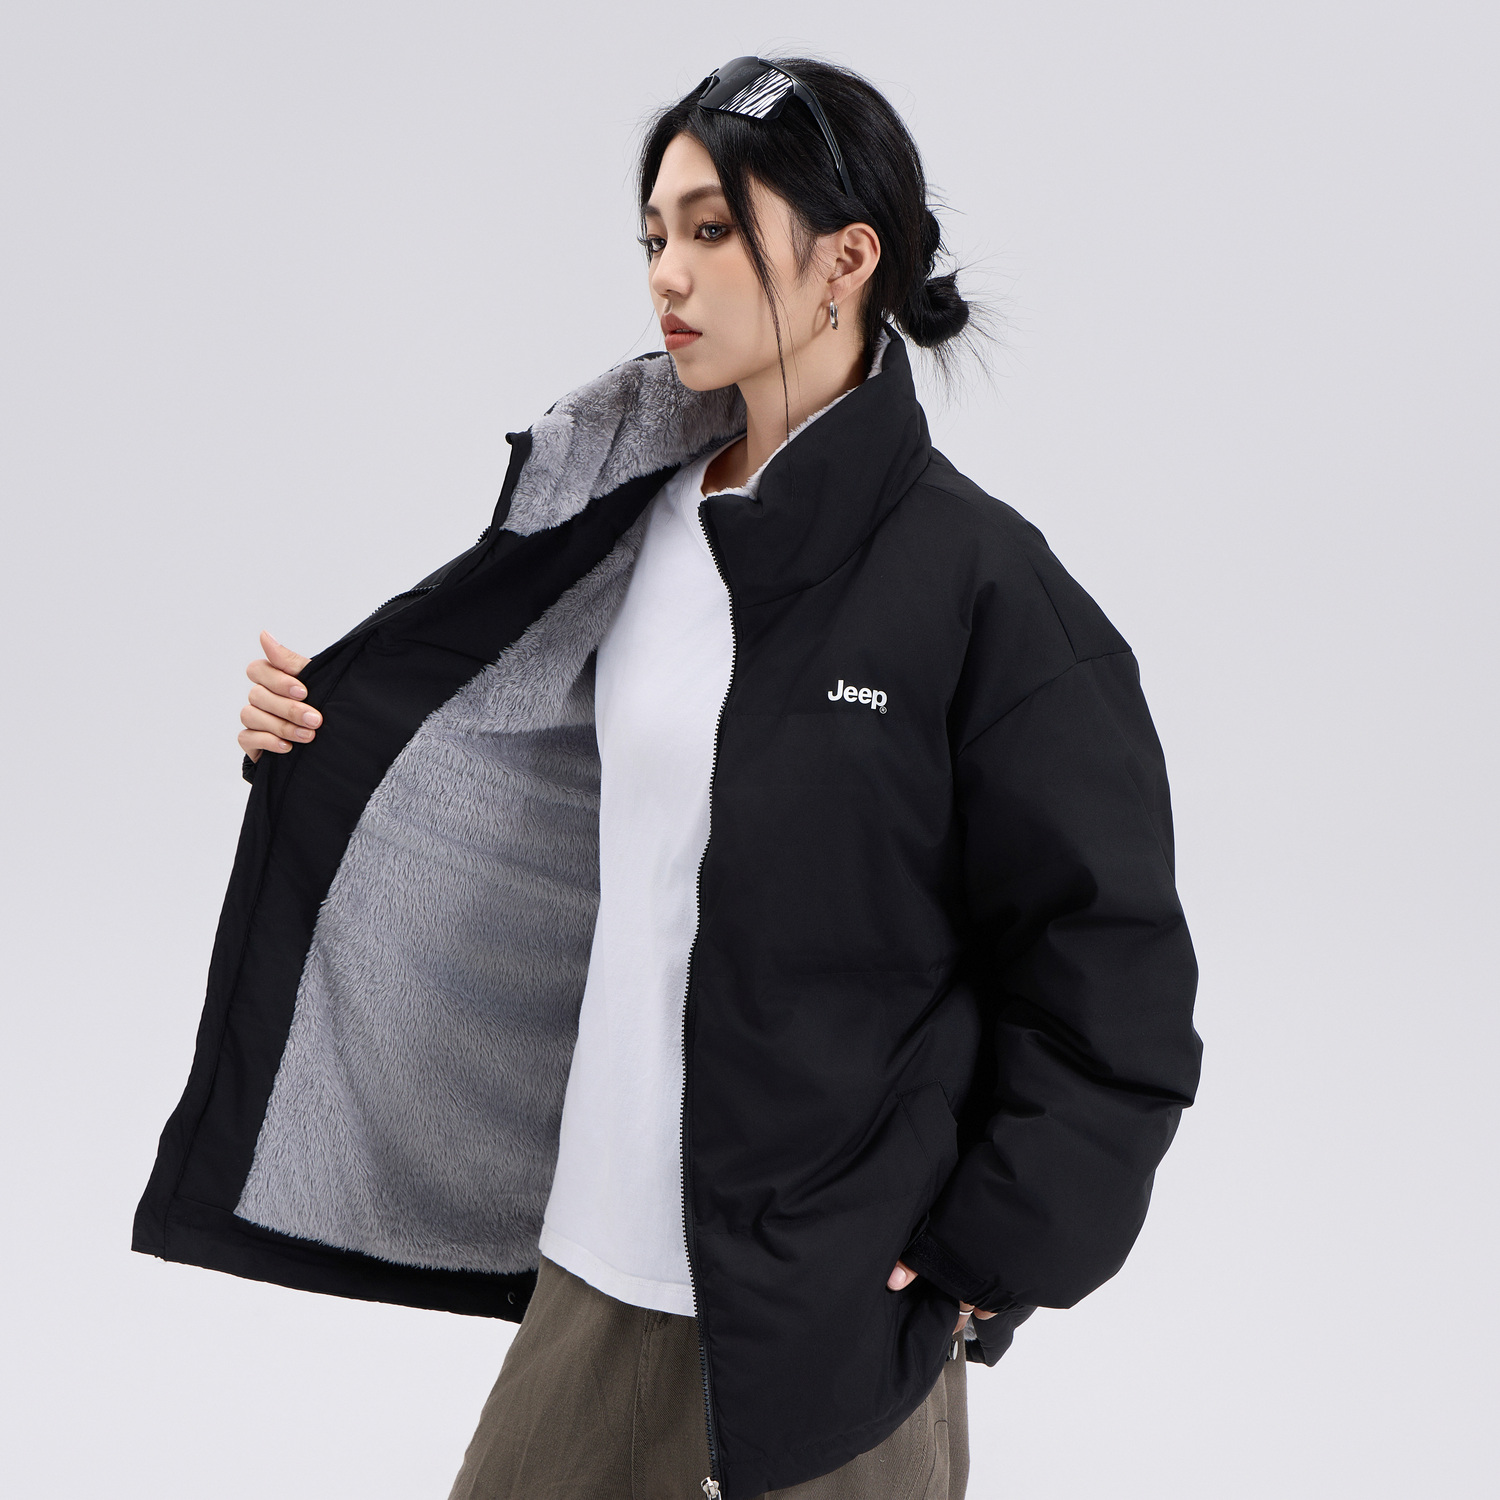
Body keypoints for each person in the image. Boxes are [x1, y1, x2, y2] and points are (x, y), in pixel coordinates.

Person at [134, 56, 1201, 1500]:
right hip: (598, 1260)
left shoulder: (986, 592)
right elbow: (525, 785)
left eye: (712, 229)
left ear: (847, 260)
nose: (668, 276)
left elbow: (1110, 977)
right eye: (653, 236)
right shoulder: (627, 521)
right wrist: (327, 737)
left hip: (834, 1309)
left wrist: (989, 1251)